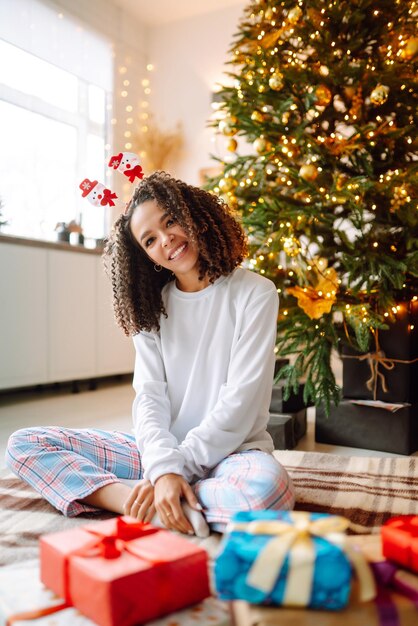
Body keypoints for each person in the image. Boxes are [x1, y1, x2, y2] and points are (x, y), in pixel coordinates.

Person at [6, 171, 295, 537]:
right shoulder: (150, 308)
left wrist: (176, 471)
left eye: (170, 221)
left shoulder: (255, 292)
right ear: (147, 257)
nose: (167, 239)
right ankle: (147, 504)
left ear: (193, 216)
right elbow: (150, 399)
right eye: (150, 240)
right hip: (159, 455)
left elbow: (239, 403)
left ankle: (164, 499)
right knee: (24, 445)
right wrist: (162, 467)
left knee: (267, 496)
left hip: (233, 455)